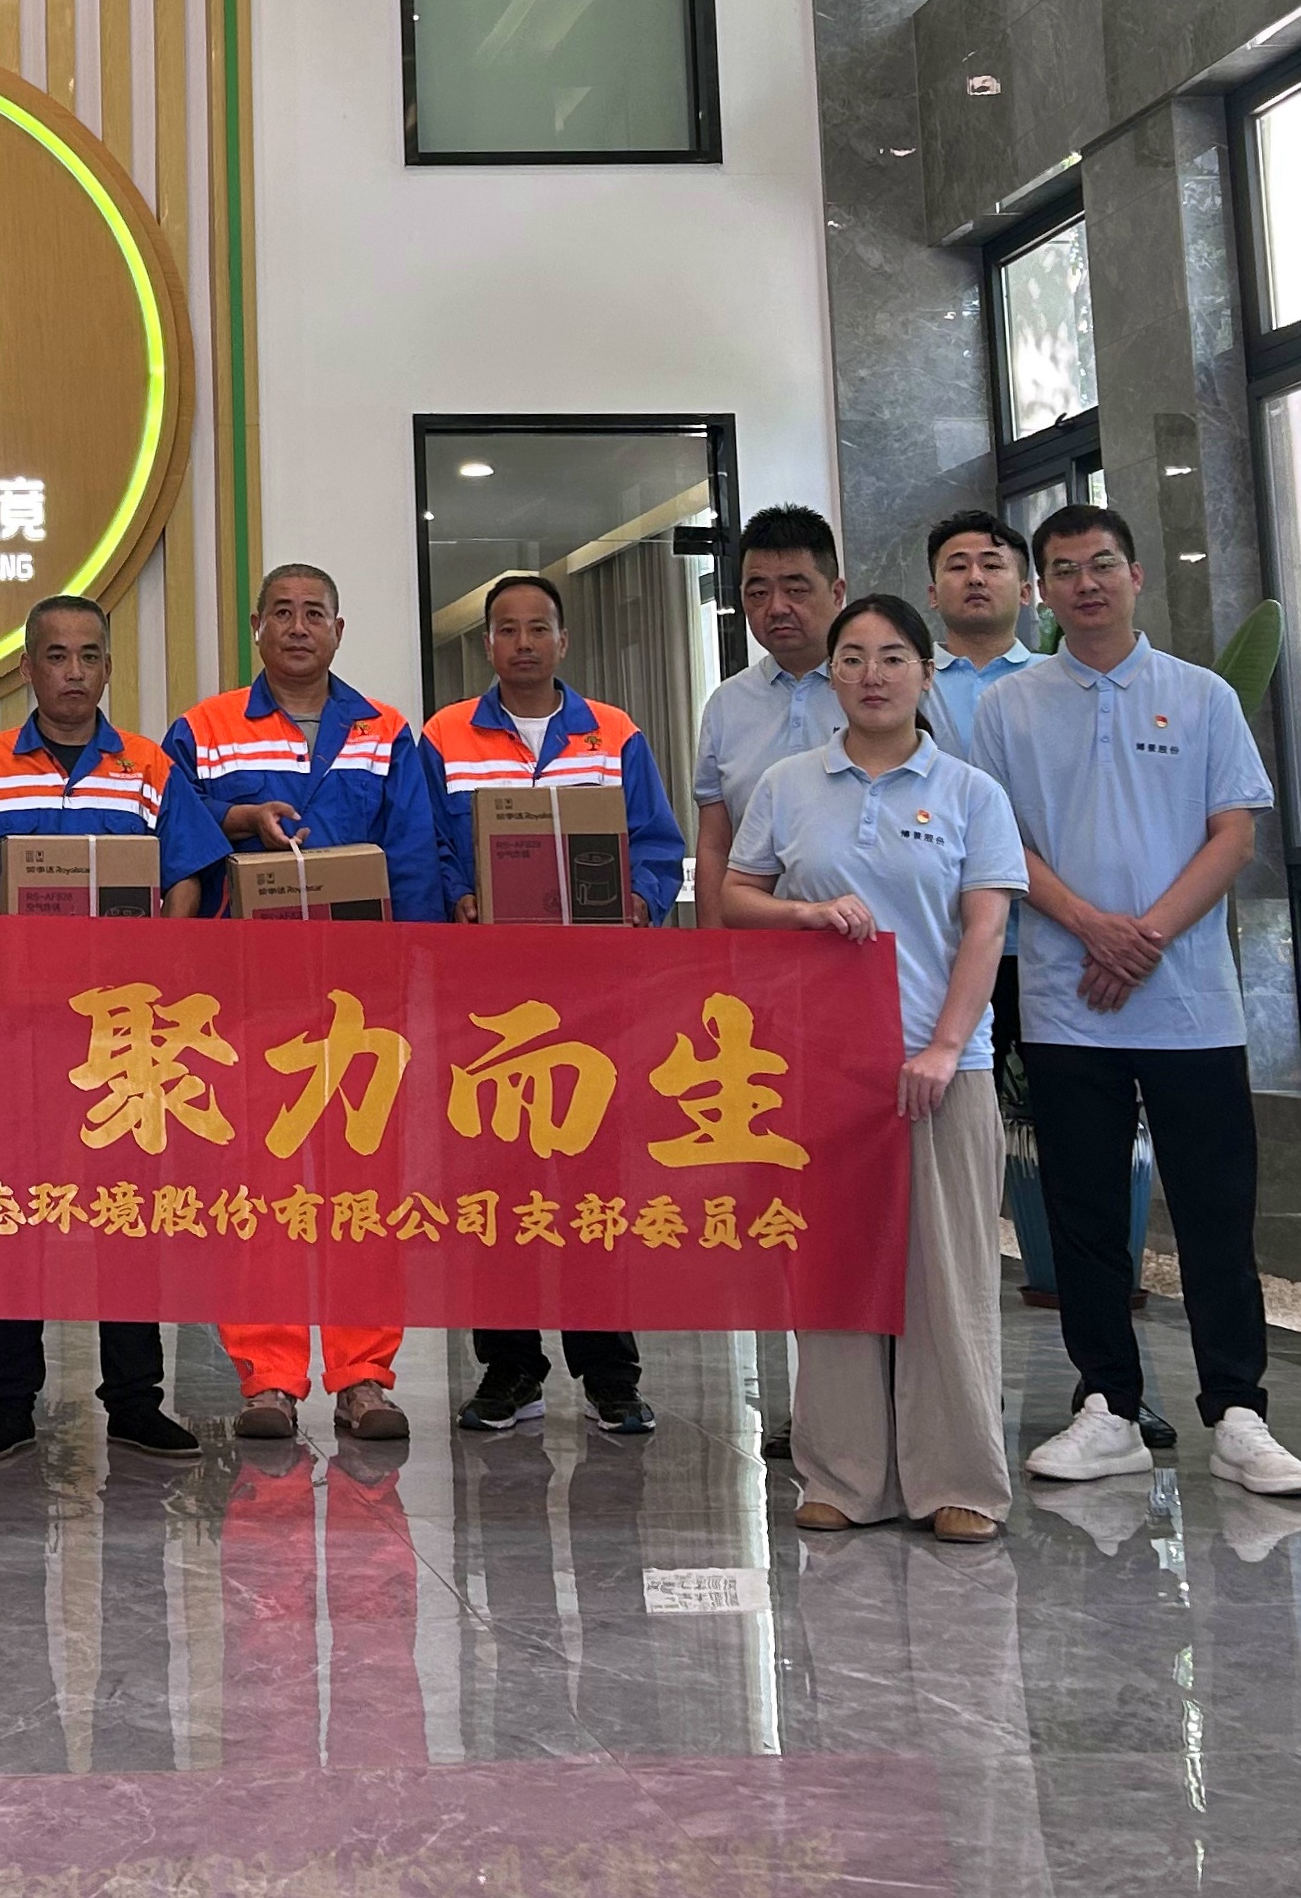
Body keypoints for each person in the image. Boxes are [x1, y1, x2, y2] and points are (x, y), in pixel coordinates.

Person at [972, 503, 1301, 1500]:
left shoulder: (1200, 695)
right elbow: (998, 845)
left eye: (1101, 564)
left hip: (1188, 1003)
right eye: (1063, 569)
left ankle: (1238, 1413)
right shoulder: (1006, 709)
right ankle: (1107, 1406)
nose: (1083, 584)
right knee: (1081, 1213)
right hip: (1066, 997)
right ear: (1039, 590)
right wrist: (1092, 927)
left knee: (1214, 1211)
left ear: (1134, 576)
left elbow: (1231, 834)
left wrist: (1145, 935)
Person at [718, 594, 1022, 1542]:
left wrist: (942, 1046)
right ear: (833, 677)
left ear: (926, 674)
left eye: (893, 657)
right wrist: (803, 915)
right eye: (851, 658)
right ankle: (842, 1475)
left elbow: (985, 930)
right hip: (823, 1070)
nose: (871, 675)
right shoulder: (788, 784)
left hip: (943, 1069)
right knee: (834, 1274)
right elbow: (735, 895)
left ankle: (958, 1480)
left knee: (948, 1277)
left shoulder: (970, 793)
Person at [0, 595, 227, 1466]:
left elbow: (188, 874)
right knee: (10, 1211)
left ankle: (134, 1400)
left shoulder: (146, 767)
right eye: (55, 656)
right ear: (28, 668)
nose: (73, 672)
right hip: (12, 1029)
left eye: (89, 656)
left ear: (106, 668)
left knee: (123, 1214)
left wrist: (157, 956)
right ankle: (7, 1402)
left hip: (120, 1035)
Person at [164, 561, 444, 1446]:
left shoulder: (385, 732)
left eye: (312, 613)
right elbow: (169, 825)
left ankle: (363, 1377)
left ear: (337, 629)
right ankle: (270, 1378)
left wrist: (413, 978)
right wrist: (241, 817)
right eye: (280, 612)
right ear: (256, 627)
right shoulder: (205, 729)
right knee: (259, 1185)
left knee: (364, 1186)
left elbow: (414, 857)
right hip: (251, 997)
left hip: (361, 1001)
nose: (296, 627)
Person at [426, 569, 688, 1439]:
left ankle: (610, 1373)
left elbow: (657, 843)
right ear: (486, 644)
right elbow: (430, 846)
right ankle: (509, 1369)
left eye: (538, 628)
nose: (523, 643)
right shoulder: (444, 736)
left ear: (563, 641)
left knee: (592, 1182)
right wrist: (458, 895)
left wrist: (641, 898)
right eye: (506, 629)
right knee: (495, 1183)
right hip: (488, 1004)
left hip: (590, 999)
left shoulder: (613, 733)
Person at [691, 504, 849, 922]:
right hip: (756, 938)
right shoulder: (726, 704)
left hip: (860, 932)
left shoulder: (873, 691)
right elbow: (715, 844)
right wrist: (714, 945)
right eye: (758, 593)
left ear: (837, 593)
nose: (776, 607)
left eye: (795, 590)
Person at [922, 508, 1039, 761]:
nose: (975, 578)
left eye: (992, 565)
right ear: (933, 595)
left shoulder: (1054, 677)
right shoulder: (908, 681)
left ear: (1025, 592)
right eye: (958, 567)